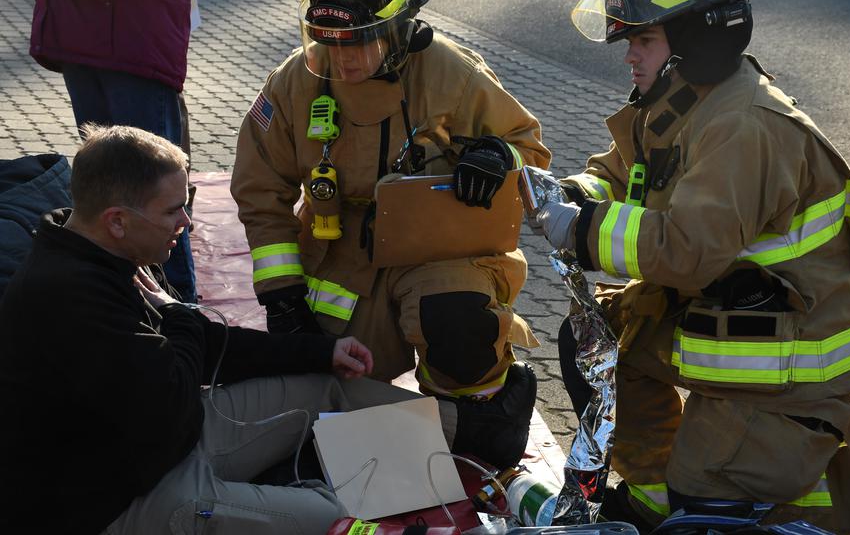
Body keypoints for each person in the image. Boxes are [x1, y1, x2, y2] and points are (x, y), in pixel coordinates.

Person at [0, 125, 534, 534]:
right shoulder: (65, 296)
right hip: (122, 497)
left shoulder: (100, 250)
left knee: (329, 386)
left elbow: (207, 350)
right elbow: (169, 404)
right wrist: (179, 314)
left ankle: (474, 433)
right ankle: (298, 483)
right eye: (173, 212)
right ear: (117, 220)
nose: (186, 224)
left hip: (162, 440)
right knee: (336, 513)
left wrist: (319, 353)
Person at [536, 0, 850, 532]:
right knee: (595, 342)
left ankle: (845, 470)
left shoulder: (742, 124)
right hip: (733, 321)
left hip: (789, 365)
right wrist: (567, 196)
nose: (630, 58)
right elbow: (622, 175)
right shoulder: (681, 102)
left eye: (643, 41)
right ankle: (655, 498)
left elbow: (686, 249)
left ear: (696, 38)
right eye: (628, 42)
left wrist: (582, 229)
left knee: (705, 507)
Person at [231, 0, 550, 460]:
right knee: (325, 389)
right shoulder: (294, 81)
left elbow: (529, 149)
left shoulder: (450, 72)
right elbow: (260, 188)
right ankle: (425, 434)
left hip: (436, 246)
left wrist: (496, 157)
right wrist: (283, 297)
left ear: (399, 29)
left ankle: (483, 427)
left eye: (358, 41)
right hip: (339, 253)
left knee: (456, 324)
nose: (343, 58)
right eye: (329, 43)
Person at [27, 0, 198, 302]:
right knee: (105, 186)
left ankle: (180, 308)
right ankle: (115, 294)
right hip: (80, 36)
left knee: (156, 192)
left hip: (137, 43)